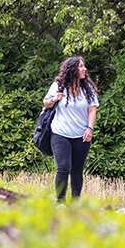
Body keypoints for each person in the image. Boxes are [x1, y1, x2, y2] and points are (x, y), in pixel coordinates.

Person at [43, 57, 99, 203]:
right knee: (63, 168)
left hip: (81, 135)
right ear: (72, 69)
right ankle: (60, 202)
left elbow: (92, 110)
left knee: (77, 170)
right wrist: (54, 99)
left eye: (84, 66)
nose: (84, 69)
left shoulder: (88, 88)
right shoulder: (58, 85)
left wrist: (90, 128)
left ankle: (75, 204)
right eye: (81, 66)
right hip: (60, 133)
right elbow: (46, 103)